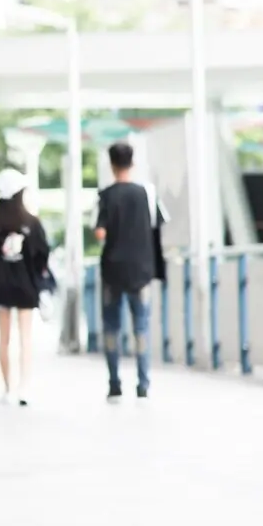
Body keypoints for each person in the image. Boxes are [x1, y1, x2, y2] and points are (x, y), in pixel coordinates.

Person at [94, 141, 167, 401]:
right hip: (141, 270)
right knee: (142, 327)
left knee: (112, 327)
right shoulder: (147, 194)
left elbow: (100, 232)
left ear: (111, 165)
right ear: (132, 163)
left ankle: (114, 383)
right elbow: (158, 225)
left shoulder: (106, 195)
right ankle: (143, 383)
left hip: (113, 271)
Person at [0, 168, 50, 407]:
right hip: (26, 286)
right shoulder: (31, 221)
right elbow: (43, 256)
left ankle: (7, 388)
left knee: (4, 338)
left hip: (1, 285)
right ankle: (24, 388)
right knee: (26, 338)